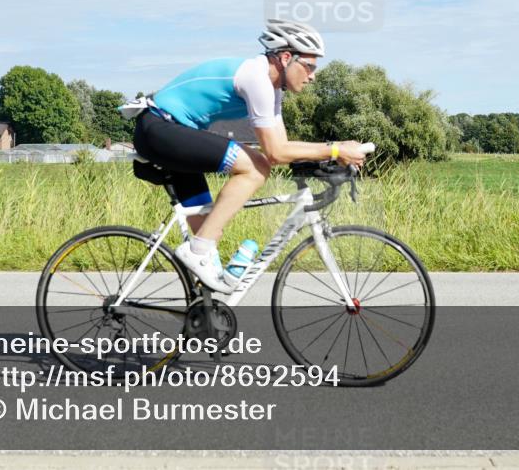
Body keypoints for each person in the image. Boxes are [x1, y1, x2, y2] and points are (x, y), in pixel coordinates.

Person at [131, 19, 369, 292]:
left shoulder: (272, 90)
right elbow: (275, 154)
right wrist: (336, 148)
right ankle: (198, 251)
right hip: (160, 128)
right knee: (256, 168)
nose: (313, 75)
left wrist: (330, 154)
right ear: (286, 57)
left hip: (173, 132)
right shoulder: (256, 78)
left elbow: (282, 145)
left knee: (207, 236)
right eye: (309, 66)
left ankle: (204, 312)